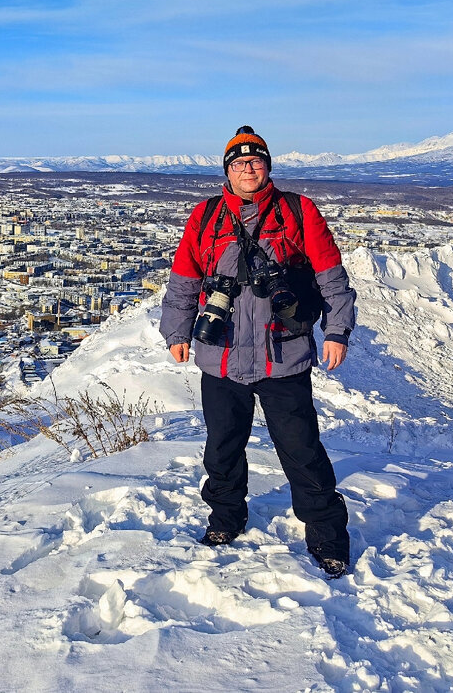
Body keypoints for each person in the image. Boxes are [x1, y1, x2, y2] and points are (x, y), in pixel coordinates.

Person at [160, 125, 356, 578]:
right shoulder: (206, 216)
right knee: (222, 449)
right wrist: (176, 331)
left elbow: (331, 276)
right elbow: (185, 279)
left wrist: (337, 330)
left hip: (282, 353)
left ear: (267, 166)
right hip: (223, 355)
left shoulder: (297, 211)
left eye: (256, 161)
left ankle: (327, 535)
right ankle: (225, 519)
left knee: (301, 448)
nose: (248, 169)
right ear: (227, 170)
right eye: (239, 162)